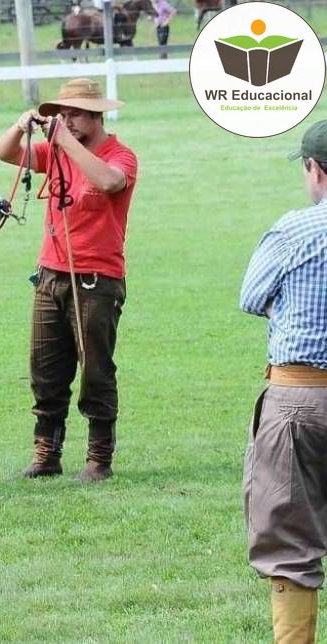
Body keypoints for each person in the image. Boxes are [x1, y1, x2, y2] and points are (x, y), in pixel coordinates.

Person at [0, 78, 139, 482]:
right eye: (61, 113)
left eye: (73, 113)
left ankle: (99, 459)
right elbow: (3, 153)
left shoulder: (121, 155)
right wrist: (20, 126)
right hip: (50, 275)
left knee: (95, 370)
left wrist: (66, 142)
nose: (65, 120)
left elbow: (109, 182)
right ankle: (46, 454)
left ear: (96, 114)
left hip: (97, 280)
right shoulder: (54, 151)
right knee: (45, 369)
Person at [240, 120, 327, 644]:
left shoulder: (294, 229)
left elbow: (251, 298)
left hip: (298, 396)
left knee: (290, 545)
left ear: (314, 169)